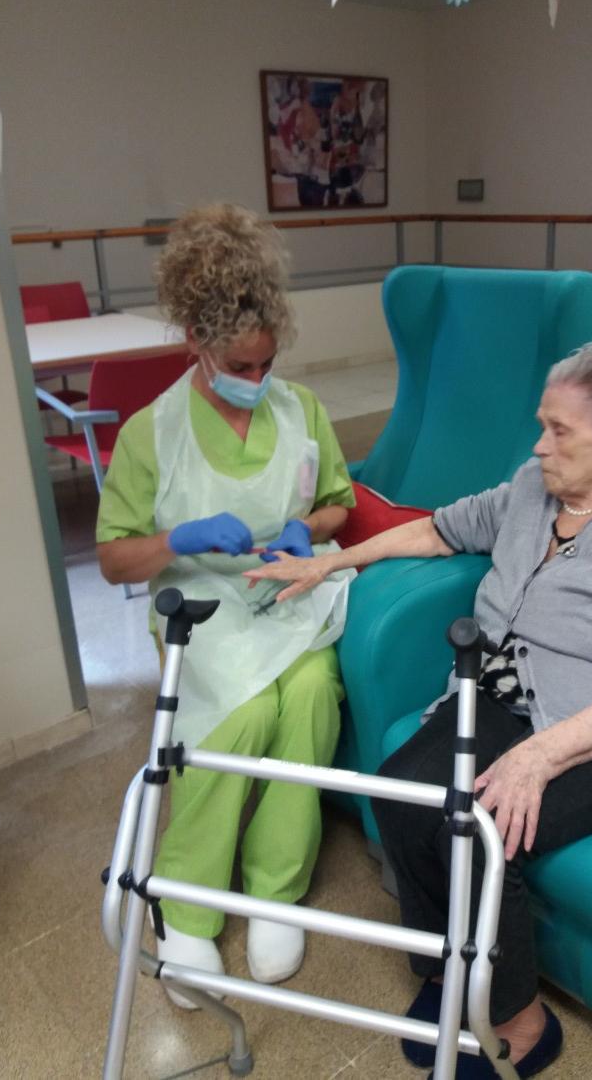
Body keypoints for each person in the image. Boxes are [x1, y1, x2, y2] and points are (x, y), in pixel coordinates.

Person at [245, 341, 592, 1077]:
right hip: (499, 693)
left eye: (558, 430)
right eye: (541, 425)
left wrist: (539, 755)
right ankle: (449, 970)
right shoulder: (533, 488)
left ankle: (521, 1018)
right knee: (402, 792)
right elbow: (440, 528)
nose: (538, 445)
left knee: (476, 829)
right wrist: (332, 559)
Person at [96, 204, 356, 1007]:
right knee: (240, 713)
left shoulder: (300, 410)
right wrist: (177, 538)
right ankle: (186, 908)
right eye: (240, 364)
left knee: (308, 696)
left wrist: (306, 528)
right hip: (199, 604)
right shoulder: (152, 432)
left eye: (267, 361)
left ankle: (276, 891)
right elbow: (113, 558)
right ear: (197, 345)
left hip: (286, 588)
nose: (257, 377)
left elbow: (339, 502)